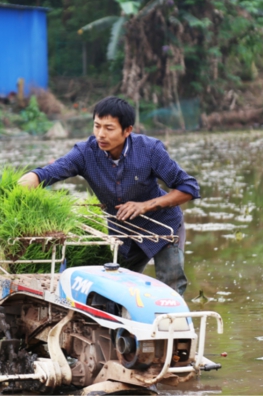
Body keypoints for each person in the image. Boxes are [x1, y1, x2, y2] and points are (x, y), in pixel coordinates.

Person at [19, 96, 199, 295]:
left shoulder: (150, 150)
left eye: (109, 128)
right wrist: (25, 183)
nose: (100, 135)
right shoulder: (85, 152)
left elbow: (188, 187)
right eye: (97, 126)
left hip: (163, 227)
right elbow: (49, 173)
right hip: (123, 231)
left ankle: (168, 324)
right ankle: (121, 327)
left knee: (170, 288)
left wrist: (146, 206)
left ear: (127, 130)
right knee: (116, 292)